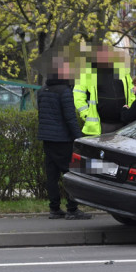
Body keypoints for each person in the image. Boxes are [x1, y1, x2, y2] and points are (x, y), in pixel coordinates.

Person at [37, 57, 91, 220]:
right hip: (64, 140)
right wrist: (79, 138)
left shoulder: (42, 90)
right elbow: (70, 118)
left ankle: (54, 208)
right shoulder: (65, 91)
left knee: (52, 175)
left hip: (47, 139)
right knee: (73, 173)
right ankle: (72, 209)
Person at [74, 44, 135, 135]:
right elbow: (78, 95)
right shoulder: (87, 73)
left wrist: (130, 111)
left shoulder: (123, 72)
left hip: (123, 123)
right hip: (102, 125)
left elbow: (131, 93)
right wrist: (86, 114)